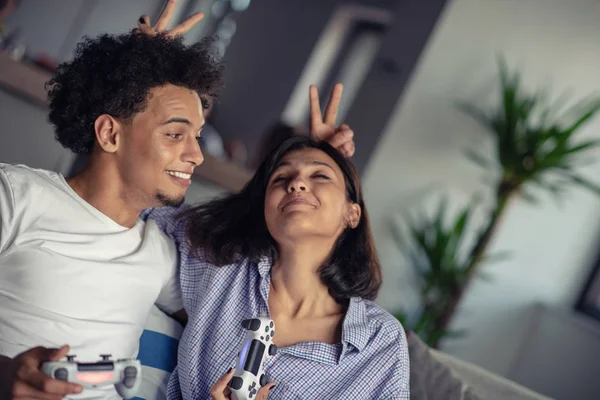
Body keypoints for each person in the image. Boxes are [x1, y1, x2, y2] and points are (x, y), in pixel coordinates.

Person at [0, 2, 356, 399]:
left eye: (198, 135)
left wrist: (320, 165)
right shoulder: (15, 197)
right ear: (110, 134)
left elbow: (263, 276)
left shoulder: (164, 255)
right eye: (175, 134)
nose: (197, 155)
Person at [147, 136, 409, 399]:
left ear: (352, 213)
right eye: (281, 178)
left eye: (320, 175)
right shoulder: (223, 266)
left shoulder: (380, 340)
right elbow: (143, 200)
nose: (296, 183)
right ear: (264, 208)